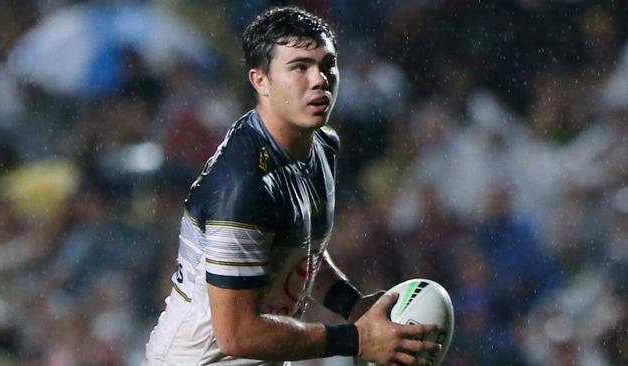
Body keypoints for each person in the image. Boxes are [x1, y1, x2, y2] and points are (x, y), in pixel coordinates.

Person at [144, 7, 439, 366]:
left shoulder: (322, 147)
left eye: (327, 65)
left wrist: (352, 306)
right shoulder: (244, 185)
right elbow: (237, 333)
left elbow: (299, 252)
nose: (319, 79)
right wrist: (357, 339)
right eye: (299, 67)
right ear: (260, 81)